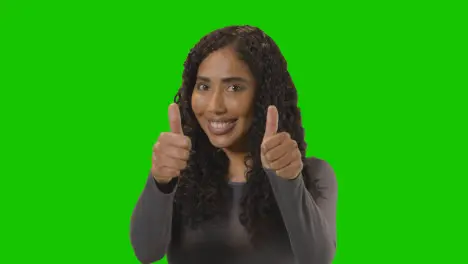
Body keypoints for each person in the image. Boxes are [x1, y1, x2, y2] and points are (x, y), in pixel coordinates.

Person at [130, 25, 337, 264]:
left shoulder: (314, 174)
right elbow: (146, 253)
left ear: (264, 95)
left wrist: (288, 181)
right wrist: (161, 182)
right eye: (204, 86)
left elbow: (318, 259)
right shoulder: (181, 172)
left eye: (234, 87)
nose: (214, 106)